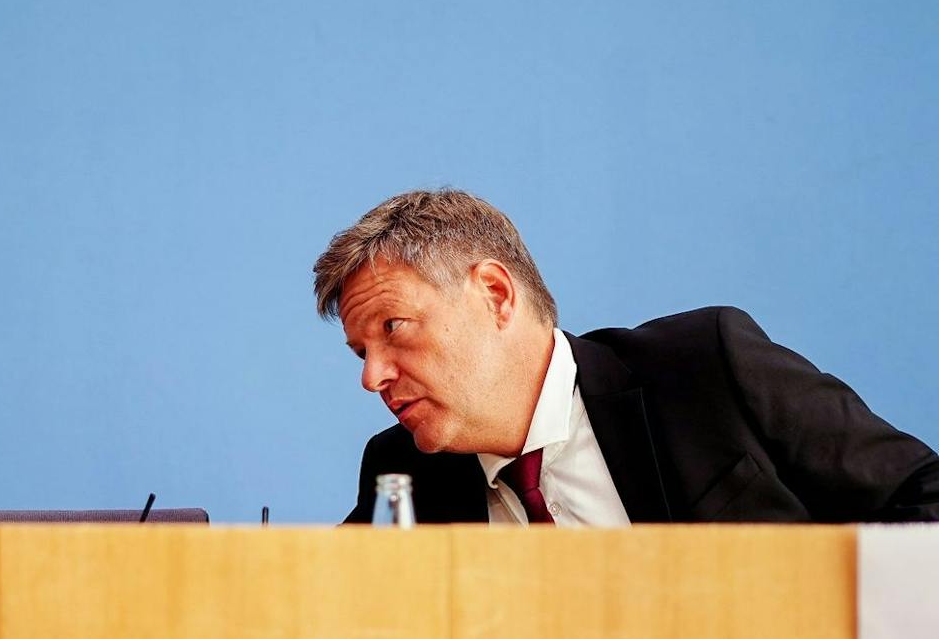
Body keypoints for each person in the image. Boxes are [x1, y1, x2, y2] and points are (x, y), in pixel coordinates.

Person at [314, 188, 939, 525]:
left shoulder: (703, 368)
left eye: (394, 328)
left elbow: (924, 494)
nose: (373, 377)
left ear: (495, 295)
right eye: (361, 351)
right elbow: (320, 608)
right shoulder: (402, 473)